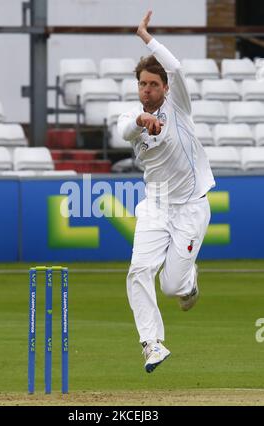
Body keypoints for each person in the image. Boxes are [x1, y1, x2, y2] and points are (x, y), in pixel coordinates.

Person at [117, 11, 215, 373]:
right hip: (155, 206)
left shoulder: (179, 107)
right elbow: (124, 129)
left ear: (165, 87)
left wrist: (146, 36)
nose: (147, 89)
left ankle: (188, 282)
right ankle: (152, 344)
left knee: (173, 286)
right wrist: (142, 120)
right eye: (143, 84)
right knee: (138, 271)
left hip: (191, 205)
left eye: (154, 84)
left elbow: (175, 67)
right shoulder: (133, 119)